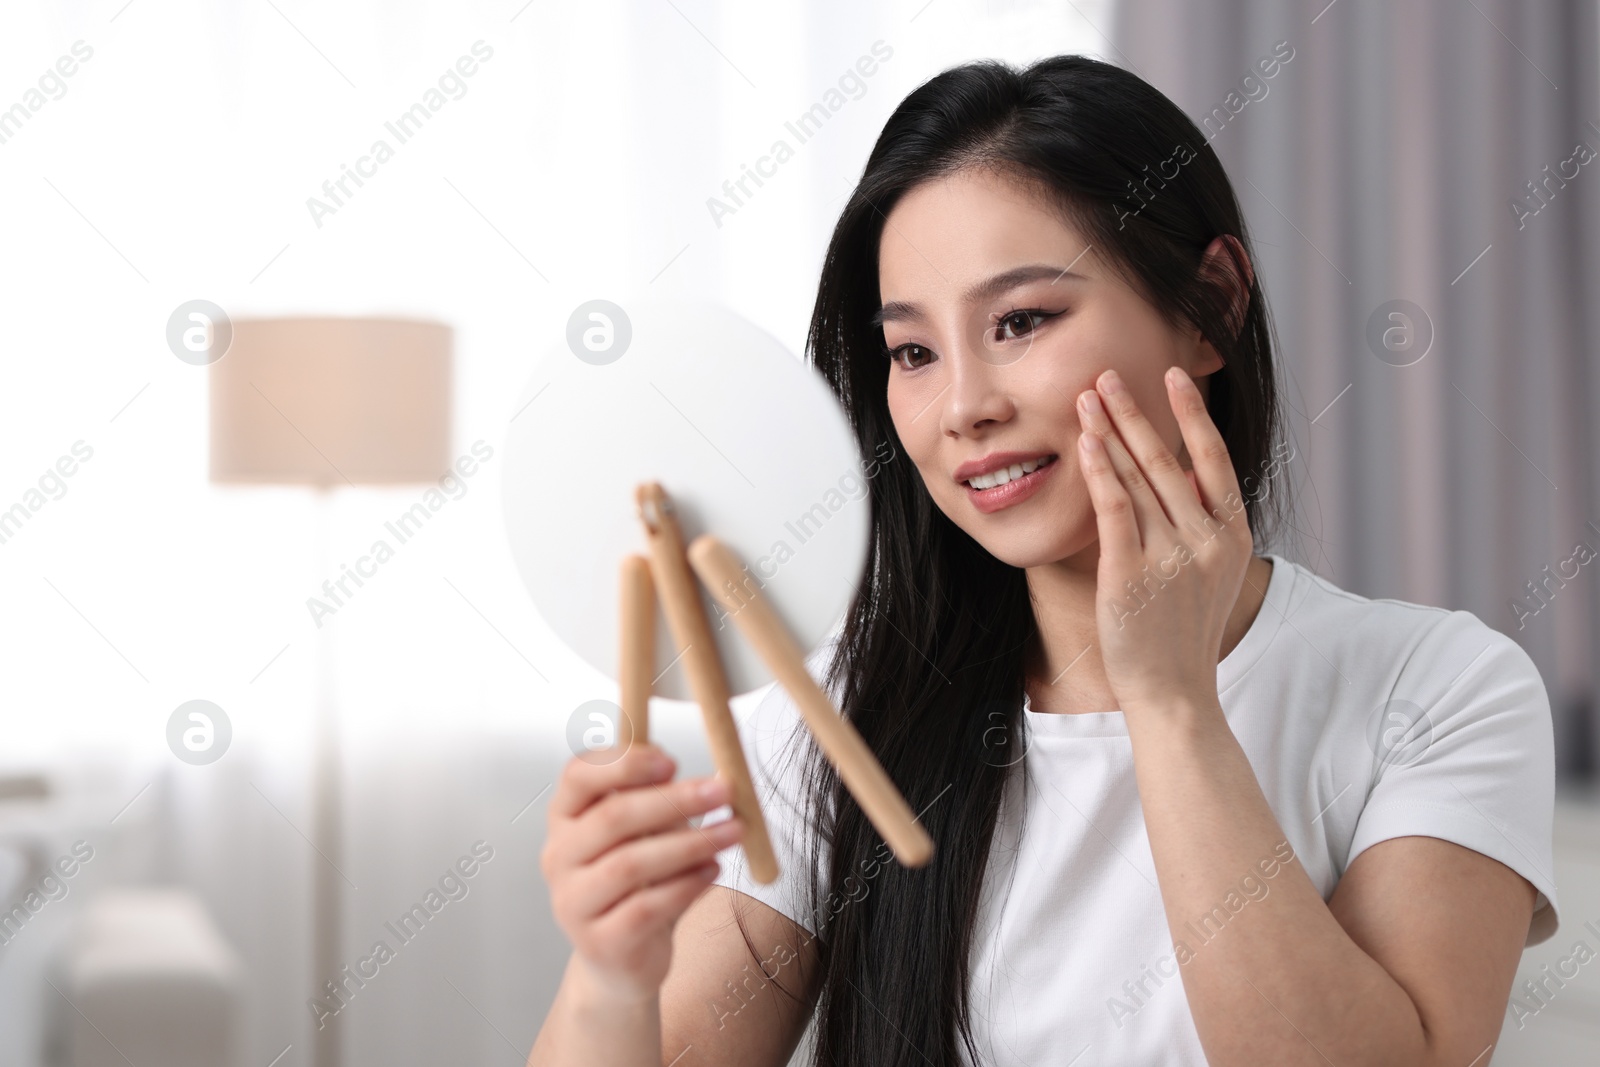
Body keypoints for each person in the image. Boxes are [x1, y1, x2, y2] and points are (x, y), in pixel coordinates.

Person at [529, 55, 1558, 1066]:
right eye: (912, 352)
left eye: (1020, 321)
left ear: (1211, 306)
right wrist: (610, 976)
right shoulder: (846, 717)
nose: (964, 406)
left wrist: (1168, 700)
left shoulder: (1437, 689)